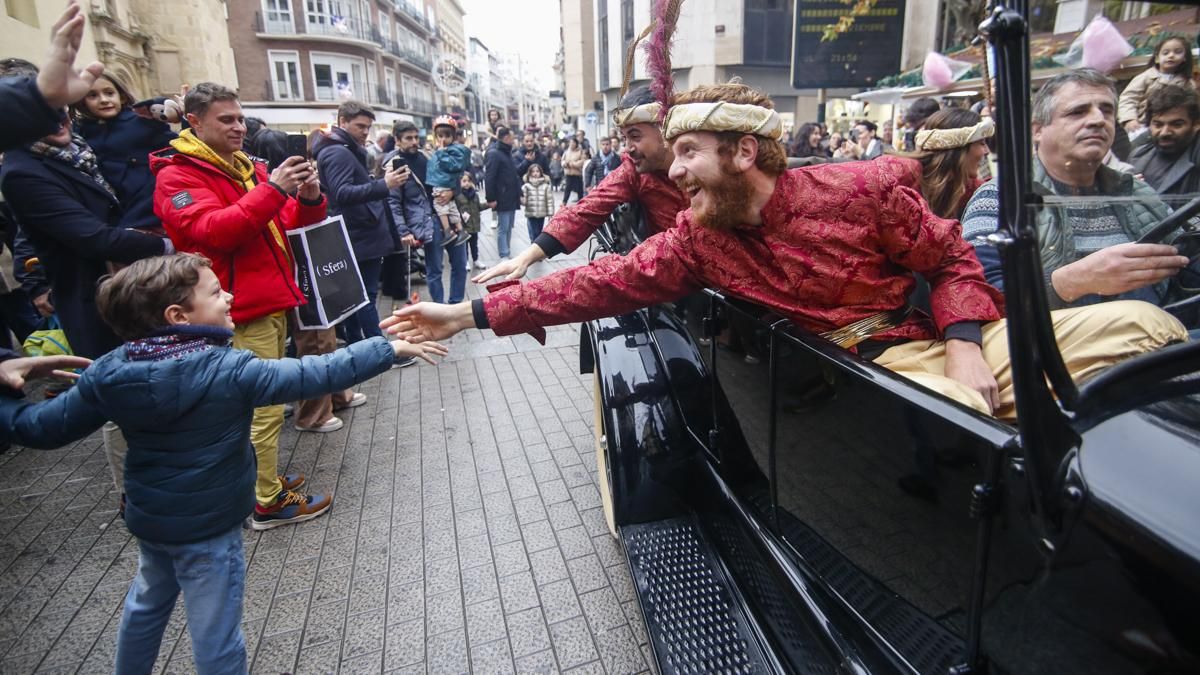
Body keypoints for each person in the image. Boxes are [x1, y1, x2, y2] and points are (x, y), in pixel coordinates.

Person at [385, 81, 1186, 421]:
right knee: (978, 420)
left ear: (743, 152)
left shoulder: (861, 188)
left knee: (1154, 336)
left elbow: (948, 257)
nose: (675, 169)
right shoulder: (695, 242)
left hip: (935, 341)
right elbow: (596, 284)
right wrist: (466, 313)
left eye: (689, 150)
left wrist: (966, 341)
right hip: (873, 380)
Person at [0, 254, 447, 673]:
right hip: (210, 528)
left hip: (152, 520)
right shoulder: (228, 370)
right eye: (216, 293)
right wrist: (386, 350)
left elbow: (42, 428)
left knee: (146, 604)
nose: (229, 297)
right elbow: (316, 374)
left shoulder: (110, 371)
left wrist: (7, 391)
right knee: (217, 634)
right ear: (179, 316)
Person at [150, 81, 334, 530]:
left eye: (240, 118)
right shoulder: (178, 176)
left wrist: (307, 197)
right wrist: (273, 189)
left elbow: (286, 222)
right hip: (235, 308)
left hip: (267, 298)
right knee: (262, 407)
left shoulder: (241, 167)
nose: (239, 128)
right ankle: (266, 500)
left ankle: (260, 477)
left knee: (263, 402)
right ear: (193, 121)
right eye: (226, 120)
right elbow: (216, 231)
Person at [963, 68, 1190, 310]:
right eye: (1077, 112)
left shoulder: (1135, 191)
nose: (1097, 120)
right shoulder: (1000, 198)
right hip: (1061, 347)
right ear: (1037, 130)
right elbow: (976, 293)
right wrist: (1073, 281)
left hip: (1165, 338)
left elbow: (1189, 260)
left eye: (1106, 110)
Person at [0, 111, 172, 360]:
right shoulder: (22, 172)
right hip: (96, 300)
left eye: (61, 113)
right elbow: (93, 238)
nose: (58, 122)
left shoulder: (80, 149)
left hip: (134, 285)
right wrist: (168, 244)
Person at [475, 85, 689, 284]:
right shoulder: (633, 171)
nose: (627, 149)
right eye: (624, 139)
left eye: (635, 136)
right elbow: (584, 212)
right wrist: (526, 256)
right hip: (667, 276)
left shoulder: (708, 160)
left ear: (667, 130)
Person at [73, 73, 178, 233]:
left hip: (150, 207)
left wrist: (164, 107)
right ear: (83, 102)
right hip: (113, 209)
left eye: (109, 93)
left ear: (121, 96)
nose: (103, 100)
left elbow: (176, 146)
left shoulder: (142, 121)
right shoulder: (82, 132)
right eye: (93, 95)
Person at [1, 1, 105, 153]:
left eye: (61, 108)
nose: (59, 114)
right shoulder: (21, 171)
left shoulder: (82, 149)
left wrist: (38, 97)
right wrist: (36, 98)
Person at [905, 108, 993, 220]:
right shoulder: (905, 183)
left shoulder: (976, 193)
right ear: (958, 149)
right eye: (981, 143)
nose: (987, 151)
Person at [1129, 85, 1200, 196]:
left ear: (1196, 124)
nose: (1164, 132)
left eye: (1176, 125)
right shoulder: (1137, 156)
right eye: (1158, 124)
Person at [1118, 36, 1195, 135]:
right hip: (1142, 126)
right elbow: (1128, 98)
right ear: (1157, 58)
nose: (1171, 56)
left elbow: (1192, 107)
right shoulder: (1145, 77)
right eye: (1166, 53)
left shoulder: (1187, 83)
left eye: (1178, 52)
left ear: (1185, 58)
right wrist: (1129, 119)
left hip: (1173, 128)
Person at [426, 115, 472, 248]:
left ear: (453, 137)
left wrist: (453, 191)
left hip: (444, 187)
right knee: (450, 210)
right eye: (440, 136)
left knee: (443, 207)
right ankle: (459, 230)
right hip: (442, 190)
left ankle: (449, 231)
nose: (443, 139)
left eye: (446, 136)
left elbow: (455, 167)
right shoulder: (437, 152)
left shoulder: (450, 151)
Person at [483, 126, 522, 261]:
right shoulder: (494, 153)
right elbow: (490, 177)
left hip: (511, 196)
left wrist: (519, 193)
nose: (513, 140)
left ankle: (507, 251)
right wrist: (491, 198)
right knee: (503, 226)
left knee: (509, 226)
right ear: (506, 138)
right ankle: (503, 254)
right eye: (512, 137)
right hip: (502, 196)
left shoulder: (506, 152)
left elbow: (513, 174)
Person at [456, 172, 488, 270]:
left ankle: (476, 260)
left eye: (469, 181)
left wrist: (487, 205)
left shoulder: (475, 195)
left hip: (474, 225)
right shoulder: (458, 196)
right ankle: (465, 261)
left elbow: (478, 207)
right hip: (464, 225)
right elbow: (456, 210)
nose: (466, 183)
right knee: (464, 245)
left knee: (474, 244)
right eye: (464, 181)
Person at [521, 163, 554, 242]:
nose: (535, 173)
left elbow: (549, 200)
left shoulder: (546, 186)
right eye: (533, 171)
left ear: (541, 173)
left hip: (541, 214)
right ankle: (534, 246)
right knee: (533, 234)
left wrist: (550, 214)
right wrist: (522, 200)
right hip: (531, 214)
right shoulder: (526, 186)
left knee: (539, 233)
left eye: (537, 171)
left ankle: (536, 248)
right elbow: (523, 200)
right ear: (529, 173)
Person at [561, 137, 586, 204]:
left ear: (576, 143)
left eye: (573, 143)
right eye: (570, 143)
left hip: (577, 174)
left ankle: (581, 203)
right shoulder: (566, 152)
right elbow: (562, 160)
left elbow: (582, 161)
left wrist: (572, 164)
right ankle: (564, 202)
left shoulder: (580, 151)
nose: (571, 144)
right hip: (569, 173)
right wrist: (564, 164)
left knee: (579, 190)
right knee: (567, 188)